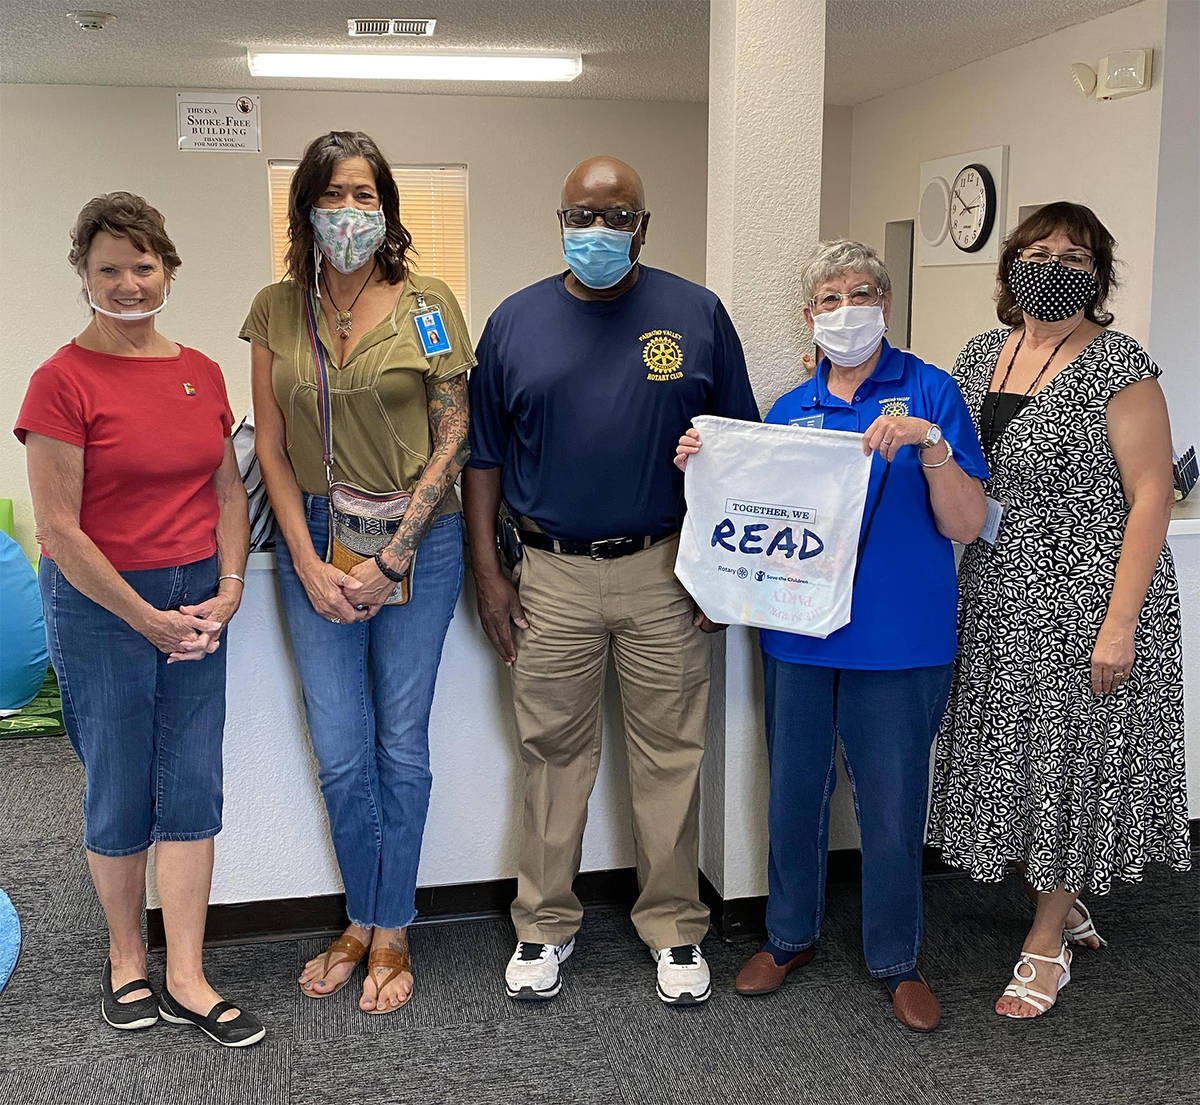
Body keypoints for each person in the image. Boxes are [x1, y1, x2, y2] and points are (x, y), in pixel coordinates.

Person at [463, 155, 759, 1006]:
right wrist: (489, 574)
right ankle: (543, 925)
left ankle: (673, 927)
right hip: (548, 572)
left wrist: (720, 573)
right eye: (582, 217)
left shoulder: (696, 314)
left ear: (643, 225)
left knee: (671, 754)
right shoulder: (516, 322)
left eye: (616, 217)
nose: (599, 231)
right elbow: (483, 457)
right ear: (560, 221)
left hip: (667, 571)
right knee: (552, 754)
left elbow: (737, 448)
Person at [676, 239, 988, 1031]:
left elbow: (966, 521)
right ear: (808, 316)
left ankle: (896, 958)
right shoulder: (789, 410)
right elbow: (752, 515)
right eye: (830, 298)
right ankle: (789, 937)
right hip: (801, 638)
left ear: (885, 303)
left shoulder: (930, 390)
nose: (847, 309)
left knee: (890, 808)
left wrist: (932, 444)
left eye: (861, 292)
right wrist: (704, 466)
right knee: (795, 798)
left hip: (902, 640)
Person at [927, 202, 1189, 1019]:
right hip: (1001, 588)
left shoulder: (1121, 364)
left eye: (1076, 257)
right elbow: (950, 461)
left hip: (1091, 593)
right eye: (1039, 252)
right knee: (1016, 756)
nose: (1056, 266)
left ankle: (1045, 939)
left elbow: (1153, 494)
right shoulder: (978, 355)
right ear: (1011, 268)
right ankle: (1065, 900)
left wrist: (1121, 622)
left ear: (1098, 275)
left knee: (1071, 760)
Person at [14, 192, 262, 1047]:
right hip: (101, 601)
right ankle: (128, 960)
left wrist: (229, 587)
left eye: (142, 265)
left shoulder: (201, 369)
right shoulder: (61, 380)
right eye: (108, 268)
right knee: (119, 779)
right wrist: (148, 619)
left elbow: (227, 488)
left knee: (193, 780)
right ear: (82, 275)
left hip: (197, 590)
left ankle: (187, 973)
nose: (128, 283)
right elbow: (57, 530)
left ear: (168, 269)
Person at [241, 131, 472, 1014]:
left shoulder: (426, 302)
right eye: (332, 196)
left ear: (387, 210)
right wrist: (304, 558)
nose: (349, 213)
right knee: (340, 751)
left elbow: (454, 434)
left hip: (422, 541)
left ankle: (389, 926)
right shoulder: (275, 309)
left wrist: (395, 554)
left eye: (365, 196)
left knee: (398, 743)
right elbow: (268, 443)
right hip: (317, 540)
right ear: (305, 207)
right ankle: (365, 916)